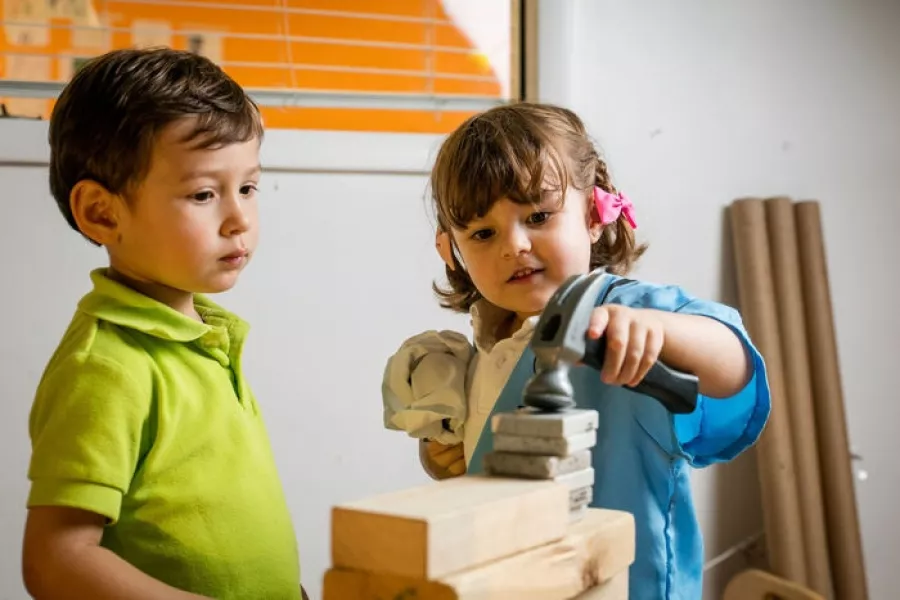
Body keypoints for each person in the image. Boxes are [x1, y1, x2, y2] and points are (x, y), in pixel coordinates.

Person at [382, 102, 771, 599]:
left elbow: (735, 368)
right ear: (451, 250)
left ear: (593, 214)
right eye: (483, 233)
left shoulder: (627, 313)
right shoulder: (481, 352)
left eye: (538, 216)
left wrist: (658, 331)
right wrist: (449, 458)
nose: (514, 245)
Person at [22, 47, 304, 599]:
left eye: (247, 188)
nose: (239, 219)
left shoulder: (205, 334)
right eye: (204, 194)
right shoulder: (106, 367)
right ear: (102, 213)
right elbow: (55, 560)